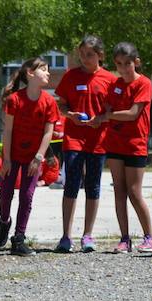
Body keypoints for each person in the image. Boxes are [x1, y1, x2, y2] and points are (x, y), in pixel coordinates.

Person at [54, 34, 115, 253]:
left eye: (89, 55)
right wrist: (69, 115)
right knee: (71, 183)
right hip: (73, 139)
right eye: (81, 54)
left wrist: (101, 119)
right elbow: (60, 104)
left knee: (93, 185)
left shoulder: (110, 79)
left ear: (100, 55)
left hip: (98, 139)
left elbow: (113, 110)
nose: (84, 58)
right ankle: (65, 236)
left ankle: (88, 235)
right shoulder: (70, 76)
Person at [0, 56, 59, 256]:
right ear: (31, 73)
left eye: (48, 69)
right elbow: (8, 131)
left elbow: (48, 133)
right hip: (12, 156)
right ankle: (4, 222)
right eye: (44, 69)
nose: (48, 73)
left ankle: (19, 238)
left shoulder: (49, 102)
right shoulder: (15, 100)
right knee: (6, 194)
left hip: (33, 158)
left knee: (27, 195)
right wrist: (5, 159)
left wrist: (39, 157)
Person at [102, 42, 152, 254]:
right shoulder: (115, 84)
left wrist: (107, 116)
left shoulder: (143, 83)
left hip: (135, 144)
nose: (124, 68)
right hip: (115, 143)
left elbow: (133, 113)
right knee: (119, 191)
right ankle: (124, 239)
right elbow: (108, 105)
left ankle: (151, 236)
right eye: (119, 64)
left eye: (127, 63)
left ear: (136, 62)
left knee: (134, 192)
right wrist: (100, 114)